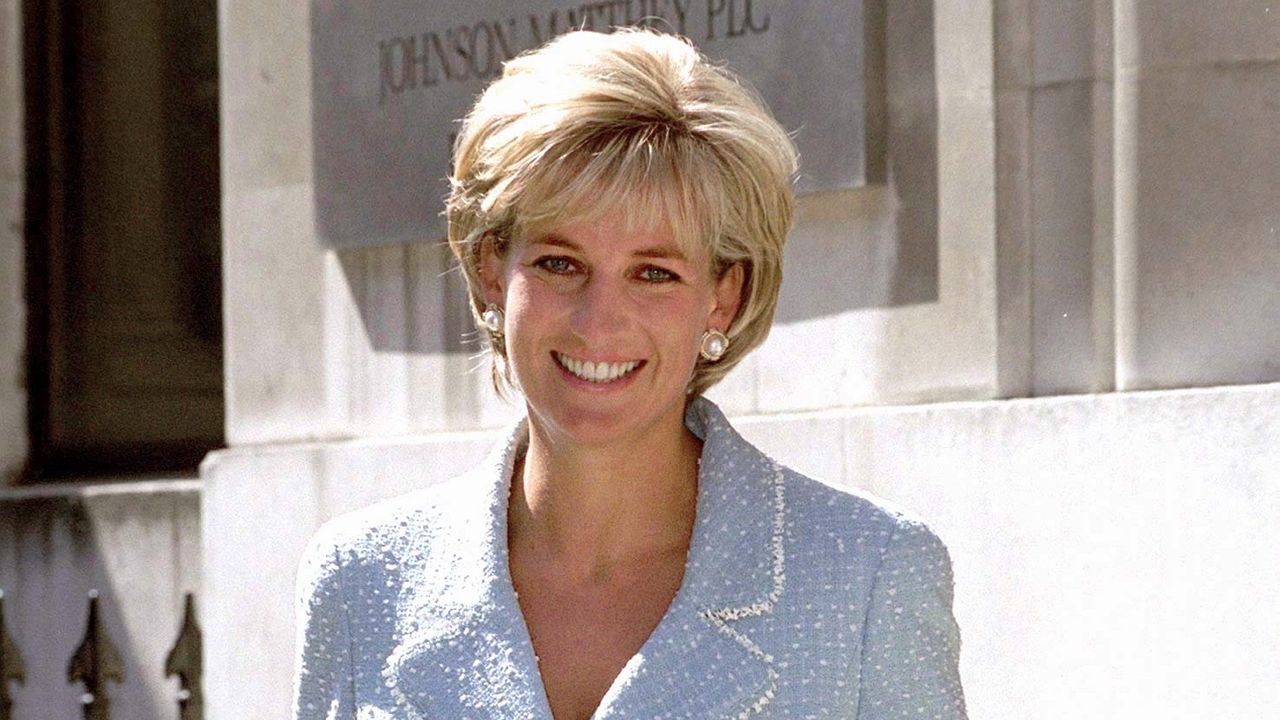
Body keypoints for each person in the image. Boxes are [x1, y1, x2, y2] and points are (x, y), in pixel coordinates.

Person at [293, 29, 966, 720]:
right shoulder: (361, 581)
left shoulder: (868, 576)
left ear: (722, 296)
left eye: (654, 273)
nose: (598, 321)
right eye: (560, 262)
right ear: (493, 270)